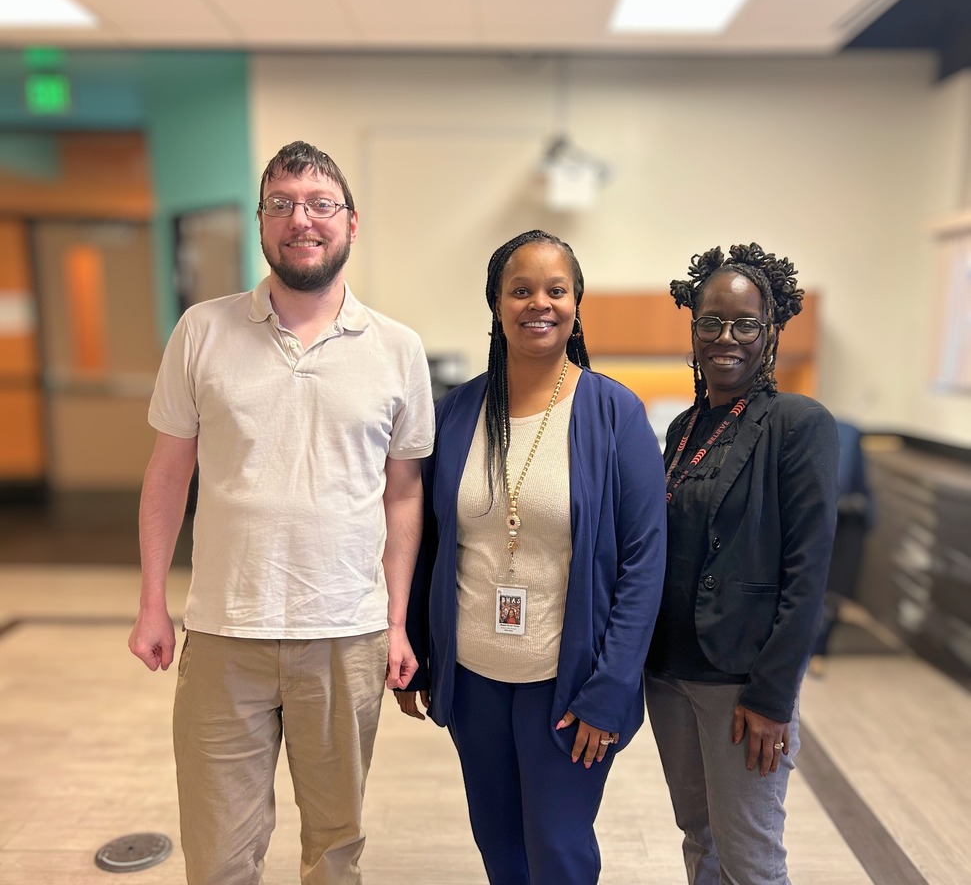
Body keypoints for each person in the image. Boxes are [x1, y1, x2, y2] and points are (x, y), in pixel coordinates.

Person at [128, 141, 435, 885]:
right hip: (224, 631)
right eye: (282, 204)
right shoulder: (202, 330)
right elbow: (169, 472)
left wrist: (395, 621)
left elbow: (403, 492)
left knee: (334, 850)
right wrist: (151, 605)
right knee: (218, 854)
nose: (301, 219)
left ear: (350, 224)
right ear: (263, 224)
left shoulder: (397, 348)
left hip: (344, 633)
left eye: (319, 204)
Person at [395, 229, 667, 884]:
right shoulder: (457, 411)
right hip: (473, 678)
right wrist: (416, 653)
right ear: (495, 302)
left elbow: (644, 560)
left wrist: (610, 689)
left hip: (570, 685)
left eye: (555, 289)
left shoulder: (613, 412)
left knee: (559, 849)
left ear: (576, 301)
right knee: (499, 844)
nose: (537, 303)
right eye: (520, 289)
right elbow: (428, 540)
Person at [645, 243, 839, 885]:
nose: (725, 338)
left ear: (770, 331)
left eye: (744, 324)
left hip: (740, 684)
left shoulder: (798, 424)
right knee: (700, 840)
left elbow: (808, 574)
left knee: (751, 860)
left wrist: (773, 696)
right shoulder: (681, 430)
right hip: (669, 674)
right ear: (694, 329)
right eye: (711, 322)